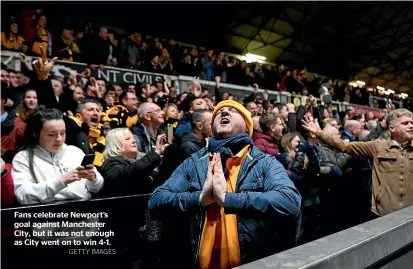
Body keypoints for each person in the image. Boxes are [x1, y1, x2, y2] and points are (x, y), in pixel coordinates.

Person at [149, 100, 301, 269]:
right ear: (212, 127)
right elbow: (156, 199)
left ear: (246, 125)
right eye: (219, 111)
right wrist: (199, 198)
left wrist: (228, 199)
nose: (224, 112)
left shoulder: (264, 162)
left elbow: (290, 201)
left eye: (232, 110)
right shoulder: (194, 162)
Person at [301, 109, 413, 217]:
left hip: (409, 212)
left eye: (412, 123)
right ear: (392, 128)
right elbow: (347, 146)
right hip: (384, 212)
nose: (411, 126)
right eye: (405, 123)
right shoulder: (377, 146)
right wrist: (319, 133)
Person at [12, 106, 104, 205]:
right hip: (48, 215)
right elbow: (23, 196)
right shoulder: (23, 158)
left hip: (85, 211)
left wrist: (93, 178)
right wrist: (62, 181)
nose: (59, 139)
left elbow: (96, 188)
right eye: (51, 135)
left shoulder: (75, 151)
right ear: (35, 133)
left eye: (62, 133)